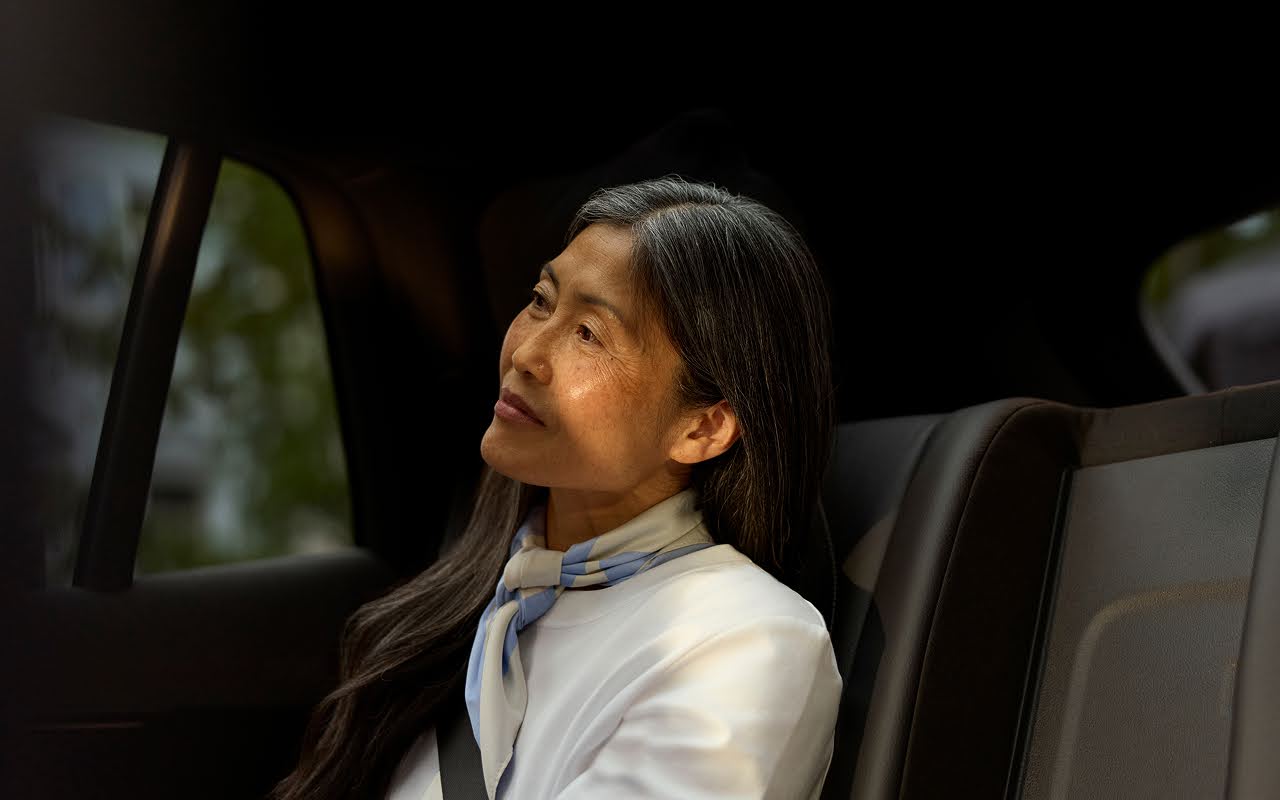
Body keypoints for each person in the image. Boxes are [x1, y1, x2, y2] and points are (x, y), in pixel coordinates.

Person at [270, 176, 842, 800]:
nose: (527, 353)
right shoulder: (486, 589)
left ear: (703, 427)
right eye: (542, 300)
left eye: (590, 334)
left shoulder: (746, 642)